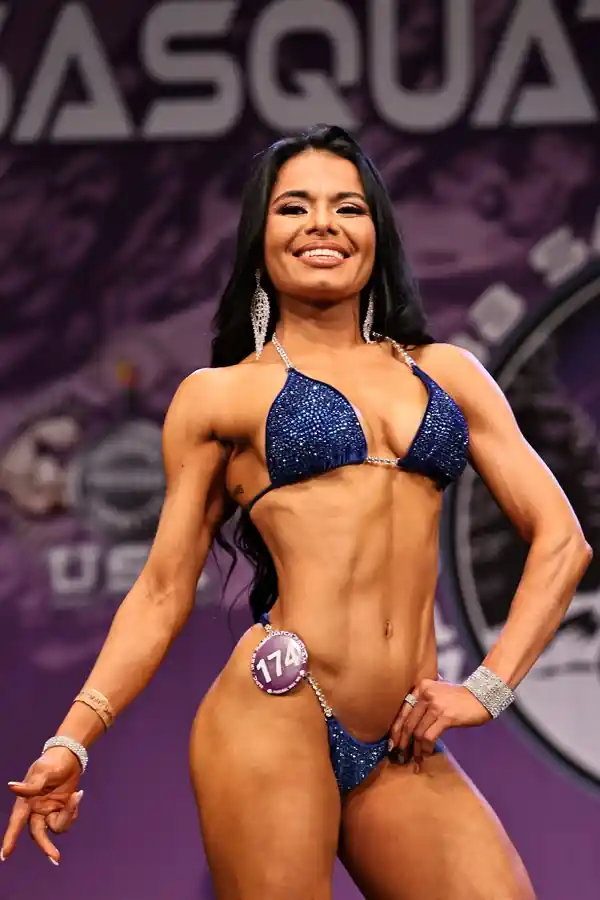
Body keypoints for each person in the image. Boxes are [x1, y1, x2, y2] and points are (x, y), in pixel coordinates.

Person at [1, 125, 592, 900]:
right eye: (294, 207)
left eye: (347, 206)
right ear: (260, 237)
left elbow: (562, 542)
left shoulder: (448, 373)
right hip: (277, 710)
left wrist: (487, 687)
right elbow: (162, 590)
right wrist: (72, 740)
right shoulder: (220, 396)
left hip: (399, 738)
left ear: (376, 233)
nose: (322, 224)